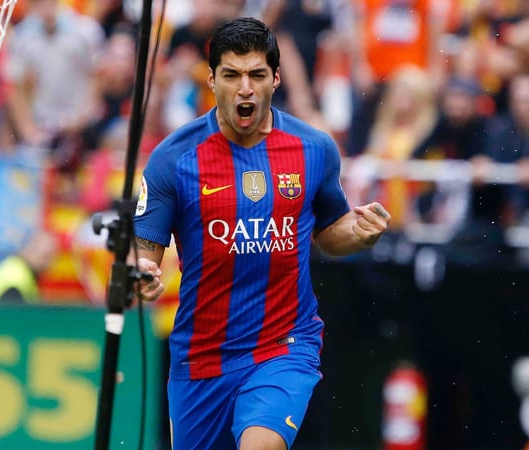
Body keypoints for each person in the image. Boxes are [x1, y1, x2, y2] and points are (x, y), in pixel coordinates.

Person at [132, 17, 391, 450]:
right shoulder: (173, 159)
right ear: (211, 80)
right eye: (231, 75)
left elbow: (330, 232)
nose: (245, 89)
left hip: (284, 344)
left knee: (262, 444)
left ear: (276, 78)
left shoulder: (314, 149)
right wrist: (142, 273)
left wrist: (361, 234)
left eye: (256, 75)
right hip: (201, 355)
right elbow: (143, 251)